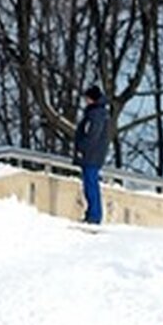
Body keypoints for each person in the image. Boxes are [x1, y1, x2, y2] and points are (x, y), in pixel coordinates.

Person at [73, 85, 110, 225]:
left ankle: (94, 215)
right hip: (94, 153)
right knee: (90, 183)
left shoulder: (96, 114)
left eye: (87, 98)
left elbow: (92, 135)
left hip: (91, 154)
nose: (85, 101)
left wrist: (82, 147)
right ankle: (92, 213)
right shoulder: (98, 113)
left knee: (90, 184)